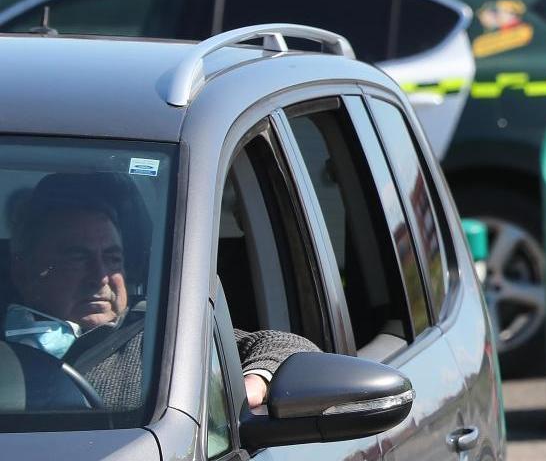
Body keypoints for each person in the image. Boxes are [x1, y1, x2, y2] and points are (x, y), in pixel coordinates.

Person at [4, 172, 318, 410]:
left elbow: (288, 346)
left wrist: (250, 386)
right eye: (77, 257)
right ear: (24, 272)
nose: (100, 276)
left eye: (113, 259)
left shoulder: (157, 339)